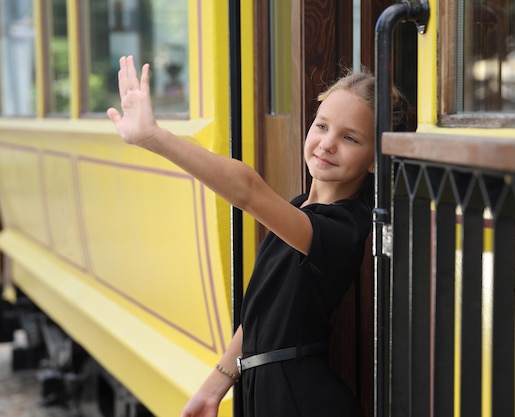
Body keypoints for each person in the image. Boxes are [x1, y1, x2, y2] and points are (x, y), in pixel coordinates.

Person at [107, 55, 409, 417]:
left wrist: (156, 138)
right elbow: (262, 313)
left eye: (350, 138)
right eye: (322, 126)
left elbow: (248, 190)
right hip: (268, 390)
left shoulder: (343, 228)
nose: (327, 144)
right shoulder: (299, 210)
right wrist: (212, 389)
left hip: (298, 399)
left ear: (375, 159)